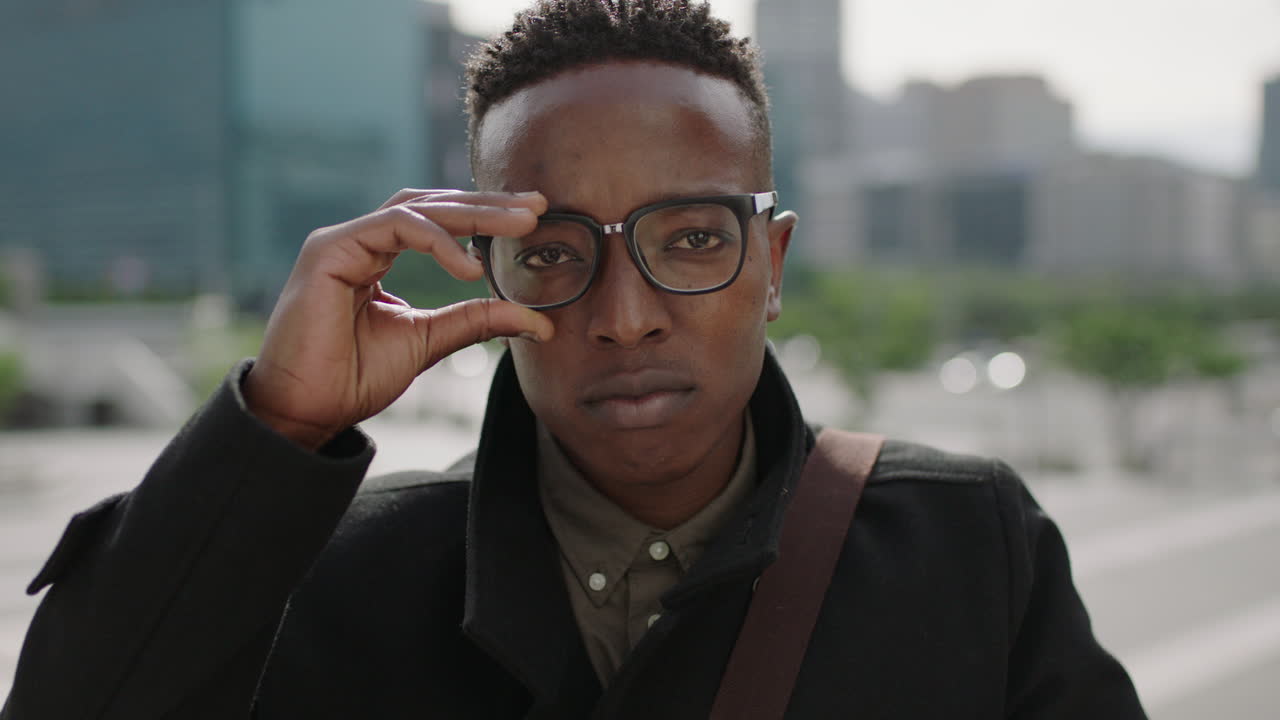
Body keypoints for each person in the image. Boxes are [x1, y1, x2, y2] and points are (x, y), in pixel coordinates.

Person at [2, 1, 1148, 718]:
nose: (626, 314)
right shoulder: (331, 572)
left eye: (690, 239)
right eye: (553, 252)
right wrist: (277, 428)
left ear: (773, 261)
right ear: (489, 276)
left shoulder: (963, 547)